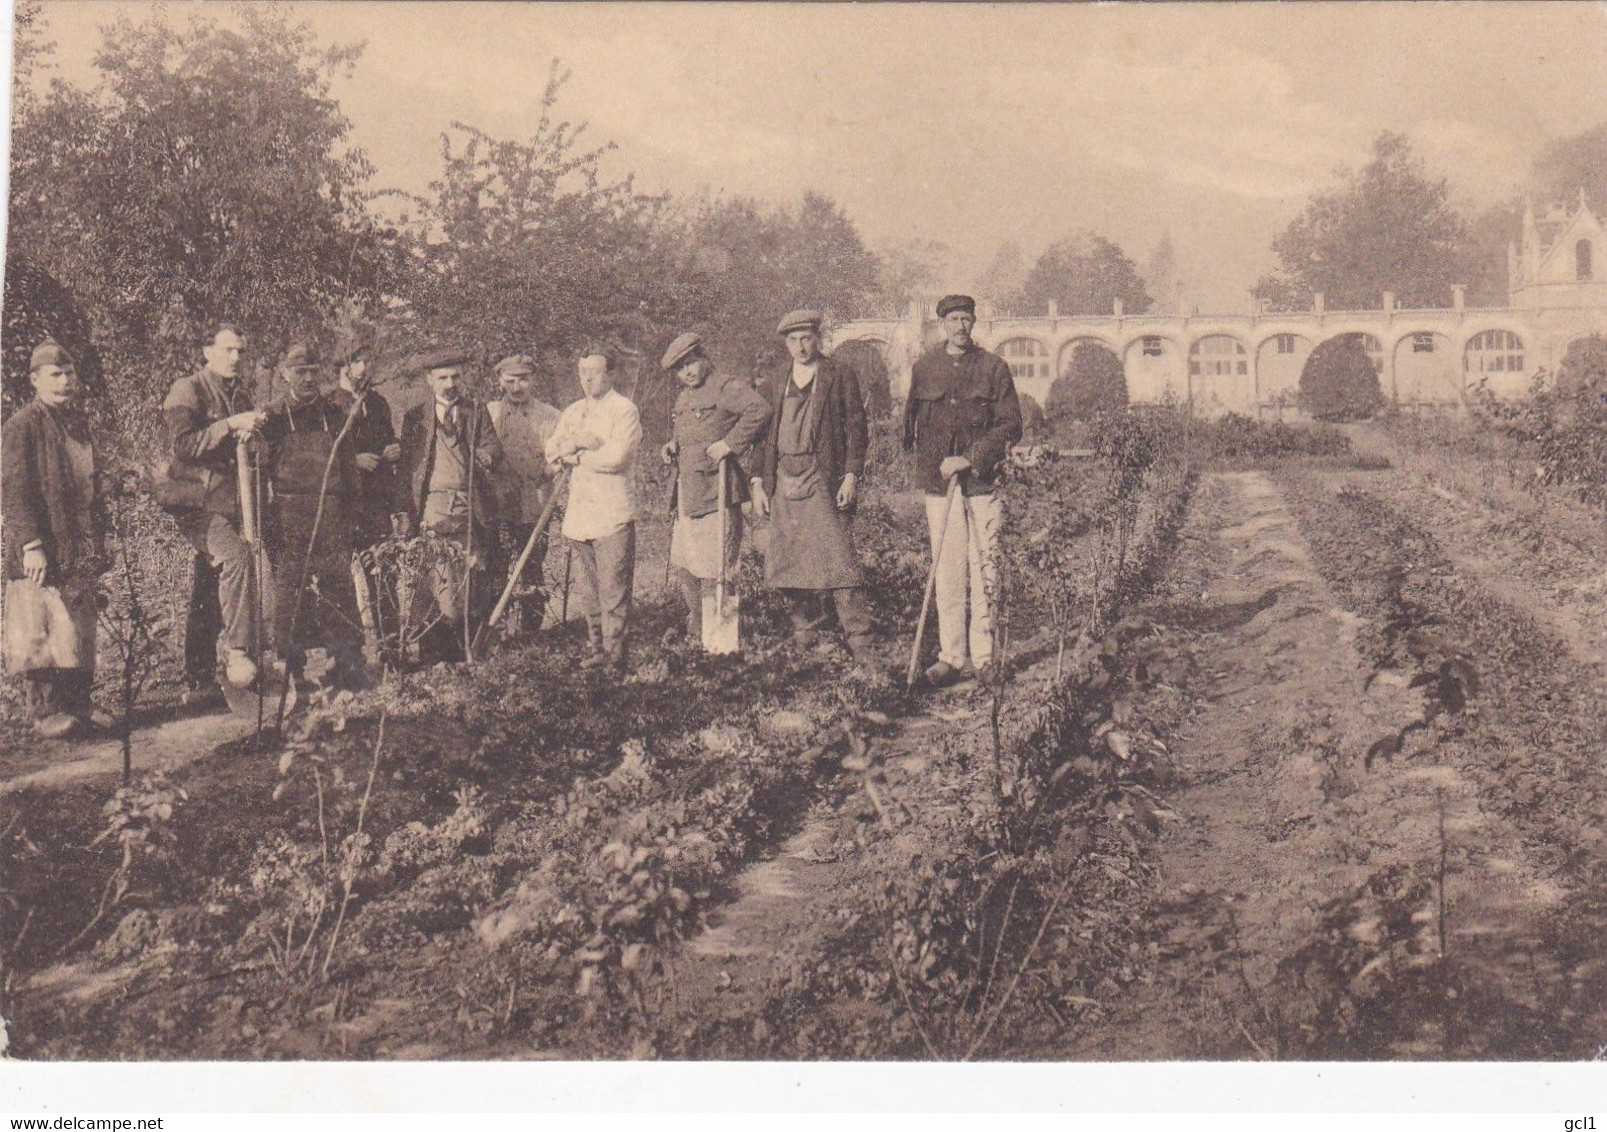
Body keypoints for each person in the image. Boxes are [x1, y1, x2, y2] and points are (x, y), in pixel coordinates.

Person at [902, 294, 1023, 687]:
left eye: (965, 319)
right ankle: (951, 657)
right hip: (940, 487)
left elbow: (1010, 425)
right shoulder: (925, 368)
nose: (959, 326)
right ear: (941, 325)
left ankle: (984, 657)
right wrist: (926, 467)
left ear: (973, 323)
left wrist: (970, 458)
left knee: (985, 564)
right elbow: (910, 425)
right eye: (952, 319)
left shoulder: (994, 368)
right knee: (948, 569)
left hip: (982, 483)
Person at [751, 309, 877, 667]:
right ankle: (805, 636)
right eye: (792, 340)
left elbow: (857, 428)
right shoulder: (776, 380)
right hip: (783, 480)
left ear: (817, 338)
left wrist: (851, 475)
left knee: (840, 562)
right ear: (785, 343)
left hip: (823, 477)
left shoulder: (839, 374)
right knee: (787, 560)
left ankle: (861, 644)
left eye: (806, 338)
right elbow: (761, 437)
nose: (800, 346)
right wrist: (758, 481)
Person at [2, 340, 109, 738]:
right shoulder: (22, 425)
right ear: (34, 380)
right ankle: (46, 713)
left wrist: (103, 536)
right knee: (41, 624)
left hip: (76, 541)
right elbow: (14, 491)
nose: (65, 382)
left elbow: (91, 486)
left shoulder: (77, 424)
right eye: (55, 375)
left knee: (80, 625)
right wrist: (31, 544)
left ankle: (80, 706)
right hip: (41, 548)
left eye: (69, 374)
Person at [159, 323, 274, 689]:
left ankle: (198, 677)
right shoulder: (187, 389)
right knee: (237, 558)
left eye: (241, 351)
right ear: (207, 351)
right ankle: (239, 653)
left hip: (229, 500)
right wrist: (228, 425)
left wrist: (253, 433)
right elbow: (183, 446)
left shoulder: (239, 392)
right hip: (194, 501)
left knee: (210, 583)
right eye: (228, 350)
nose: (236, 357)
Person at [659, 331, 769, 650]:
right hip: (688, 495)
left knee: (720, 569)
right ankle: (698, 633)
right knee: (687, 568)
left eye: (691, 363)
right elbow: (690, 434)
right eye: (680, 369)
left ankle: (720, 643)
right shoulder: (683, 398)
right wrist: (673, 446)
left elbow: (759, 410)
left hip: (718, 492)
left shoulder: (725, 387)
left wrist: (730, 444)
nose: (687, 372)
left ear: (703, 358)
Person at [392, 347, 503, 662]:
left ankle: (464, 651)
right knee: (435, 576)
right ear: (430, 381)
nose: (450, 383)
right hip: (431, 507)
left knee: (466, 574)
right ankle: (433, 654)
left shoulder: (476, 411)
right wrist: (404, 513)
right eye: (442, 377)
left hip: (468, 506)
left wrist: (487, 455)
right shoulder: (416, 417)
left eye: (455, 376)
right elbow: (408, 470)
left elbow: (492, 445)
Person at [261, 342, 362, 676]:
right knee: (291, 590)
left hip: (331, 510)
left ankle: (347, 662)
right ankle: (291, 668)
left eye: (313, 371)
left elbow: (349, 471)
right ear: (286, 375)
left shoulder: (335, 416)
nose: (307, 378)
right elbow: (259, 475)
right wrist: (267, 523)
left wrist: (350, 520)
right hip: (289, 516)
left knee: (338, 585)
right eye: (300, 371)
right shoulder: (272, 418)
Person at [544, 348, 641, 674]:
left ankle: (616, 658)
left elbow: (616, 459)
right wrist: (576, 445)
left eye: (595, 371)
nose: (587, 378)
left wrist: (578, 453)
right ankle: (597, 648)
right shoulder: (572, 411)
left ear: (610, 374)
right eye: (583, 371)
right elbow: (552, 449)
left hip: (612, 514)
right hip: (581, 515)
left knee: (613, 591)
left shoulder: (624, 410)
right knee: (590, 592)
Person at [487, 352, 561, 632]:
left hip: (534, 502)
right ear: (500, 381)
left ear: (533, 380)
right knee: (496, 566)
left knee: (532, 564)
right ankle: (497, 628)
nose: (517, 387)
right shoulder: (490, 413)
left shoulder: (550, 416)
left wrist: (550, 467)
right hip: (498, 504)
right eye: (511, 381)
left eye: (524, 380)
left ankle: (531, 630)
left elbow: (559, 454)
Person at [328, 331, 401, 552]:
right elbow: (321, 453)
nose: (363, 368)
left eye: (367, 362)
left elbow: (389, 437)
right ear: (343, 365)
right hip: (345, 498)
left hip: (377, 497)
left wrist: (394, 449)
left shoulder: (378, 402)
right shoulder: (328, 405)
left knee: (382, 560)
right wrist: (353, 460)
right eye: (357, 362)